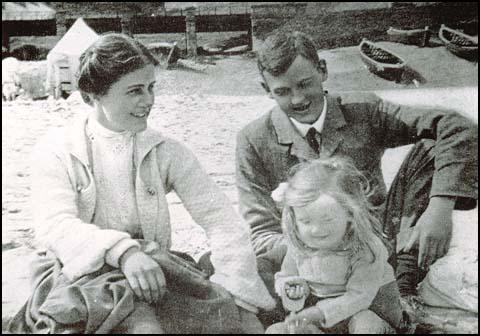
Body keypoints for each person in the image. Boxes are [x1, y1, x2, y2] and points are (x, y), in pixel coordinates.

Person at [8, 33, 275, 334]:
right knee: (144, 328)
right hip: (78, 274)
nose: (148, 101)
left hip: (151, 272)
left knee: (239, 322)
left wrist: (234, 287)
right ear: (92, 95)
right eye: (135, 91)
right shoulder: (58, 150)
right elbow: (55, 225)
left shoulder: (164, 150)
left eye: (151, 88)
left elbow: (221, 219)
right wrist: (124, 252)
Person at [235, 30, 478, 324]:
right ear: (266, 89)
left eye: (304, 84)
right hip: (304, 259)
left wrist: (440, 207)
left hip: (376, 245)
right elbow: (261, 231)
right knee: (238, 267)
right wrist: (318, 252)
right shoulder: (253, 139)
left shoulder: (364, 110)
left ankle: (404, 285)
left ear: (323, 71)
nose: (298, 99)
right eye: (283, 91)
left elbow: (456, 126)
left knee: (431, 145)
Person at [265, 157, 403, 334]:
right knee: (277, 331)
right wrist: (291, 287)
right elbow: (285, 275)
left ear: (349, 213)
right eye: (305, 220)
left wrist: (316, 313)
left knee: (366, 324)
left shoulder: (366, 248)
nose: (316, 229)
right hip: (322, 320)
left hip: (370, 312)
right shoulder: (299, 245)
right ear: (294, 218)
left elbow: (360, 296)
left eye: (327, 219)